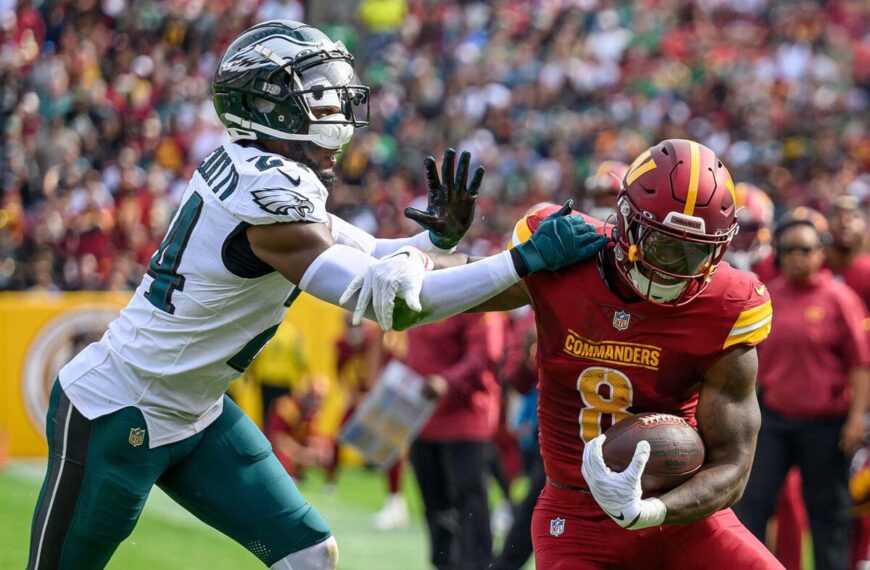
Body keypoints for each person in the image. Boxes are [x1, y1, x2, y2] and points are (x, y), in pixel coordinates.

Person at [26, 20, 607, 570]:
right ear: (264, 104)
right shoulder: (269, 198)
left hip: (196, 412)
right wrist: (520, 262)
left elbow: (378, 255)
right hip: (119, 408)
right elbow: (397, 303)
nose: (339, 116)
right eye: (319, 98)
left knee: (309, 554)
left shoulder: (264, 172)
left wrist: (437, 242)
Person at [347, 139, 785, 568]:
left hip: (678, 512)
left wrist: (649, 512)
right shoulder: (566, 255)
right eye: (663, 245)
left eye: (696, 253)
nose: (676, 267)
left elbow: (734, 465)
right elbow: (436, 294)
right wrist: (426, 252)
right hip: (575, 518)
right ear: (627, 221)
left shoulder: (729, 302)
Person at [734, 209, 870, 570]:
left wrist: (857, 418)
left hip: (826, 424)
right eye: (790, 249)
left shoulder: (839, 298)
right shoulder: (766, 296)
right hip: (773, 419)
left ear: (820, 252)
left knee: (828, 513)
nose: (797, 256)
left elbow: (861, 363)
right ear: (778, 252)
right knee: (752, 504)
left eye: (805, 249)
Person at [406, 311, 505, 570]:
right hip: (421, 417)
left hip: (465, 419)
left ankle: (478, 564)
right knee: (434, 505)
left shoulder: (480, 299)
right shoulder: (421, 290)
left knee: (468, 501)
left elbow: (484, 355)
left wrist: (446, 381)